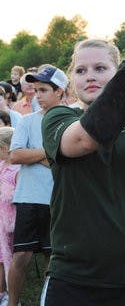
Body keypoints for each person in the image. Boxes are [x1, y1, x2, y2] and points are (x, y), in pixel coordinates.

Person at [39, 39, 125, 306]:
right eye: (80, 70)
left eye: (100, 68)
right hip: (75, 279)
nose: (89, 76)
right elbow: (84, 140)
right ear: (71, 79)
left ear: (118, 71)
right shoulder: (57, 117)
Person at [8, 66, 68, 306]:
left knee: (52, 259)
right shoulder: (26, 120)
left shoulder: (70, 120)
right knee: (21, 255)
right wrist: (51, 153)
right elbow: (15, 155)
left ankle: (47, 301)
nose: (37, 95)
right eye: (35, 89)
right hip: (29, 198)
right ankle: (12, 303)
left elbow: (71, 158)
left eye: (43, 90)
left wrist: (38, 155)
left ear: (60, 91)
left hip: (58, 199)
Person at [0, 127, 20, 306]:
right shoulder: (1, 166)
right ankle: (2, 291)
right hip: (0, 219)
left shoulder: (17, 170)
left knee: (11, 258)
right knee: (2, 256)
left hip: (11, 221)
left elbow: (19, 195)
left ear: (7, 148)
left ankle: (11, 293)